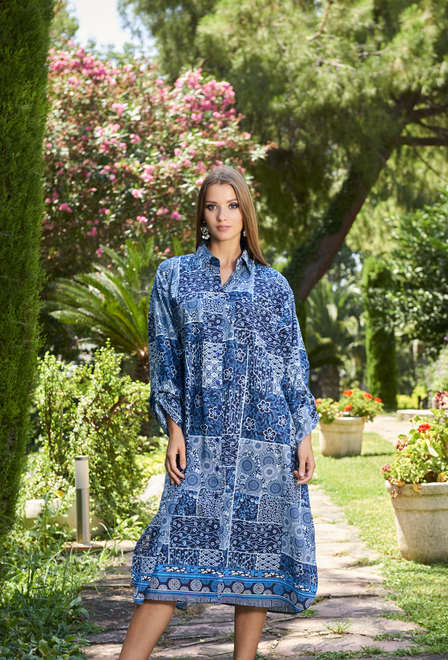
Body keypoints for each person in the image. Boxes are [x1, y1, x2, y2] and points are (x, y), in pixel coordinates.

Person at [119, 166, 319, 660]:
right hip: (201, 438)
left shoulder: (273, 286)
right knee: (169, 553)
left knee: (257, 560)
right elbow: (165, 357)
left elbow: (291, 362)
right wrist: (174, 428)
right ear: (201, 214)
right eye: (212, 206)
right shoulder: (174, 276)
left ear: (245, 213)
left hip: (266, 440)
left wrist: (304, 436)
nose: (222, 216)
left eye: (231, 205)